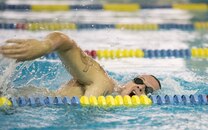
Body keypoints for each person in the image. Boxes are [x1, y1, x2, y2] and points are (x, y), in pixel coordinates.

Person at [0, 32, 161, 98]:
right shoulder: (102, 81)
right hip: (18, 103)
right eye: (139, 82)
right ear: (130, 81)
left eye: (147, 90)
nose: (140, 88)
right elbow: (66, 43)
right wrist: (45, 46)